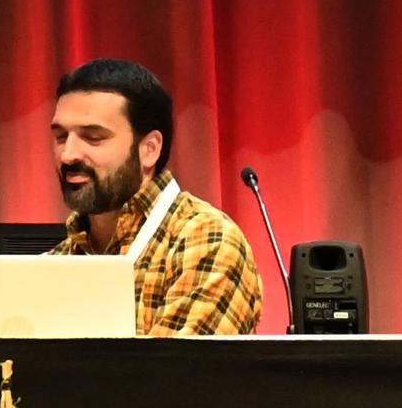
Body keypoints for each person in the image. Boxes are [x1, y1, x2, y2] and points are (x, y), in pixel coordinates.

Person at [45, 57, 262, 336]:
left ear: (149, 149)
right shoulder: (56, 262)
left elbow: (173, 375)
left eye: (93, 137)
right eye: (61, 137)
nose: (68, 154)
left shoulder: (206, 240)